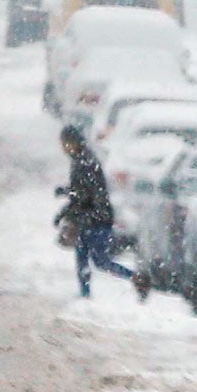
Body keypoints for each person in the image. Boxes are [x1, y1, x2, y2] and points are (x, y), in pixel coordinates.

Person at [56, 123, 150, 301]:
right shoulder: (81, 160)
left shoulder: (85, 162)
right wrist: (67, 208)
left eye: (65, 142)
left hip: (96, 218)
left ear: (72, 142)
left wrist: (69, 197)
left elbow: (85, 193)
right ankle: (85, 293)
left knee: (99, 260)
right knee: (85, 258)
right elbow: (81, 193)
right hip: (90, 217)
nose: (63, 147)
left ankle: (136, 278)